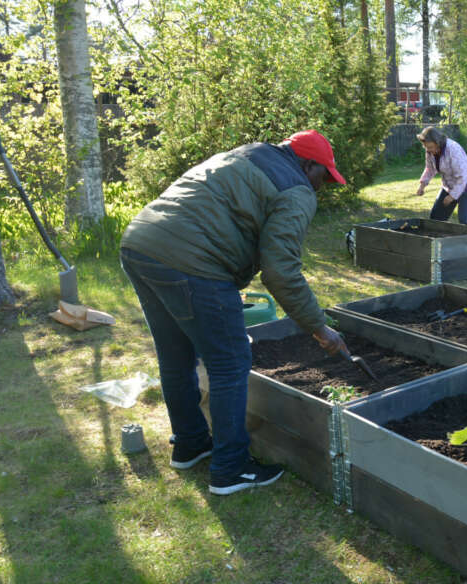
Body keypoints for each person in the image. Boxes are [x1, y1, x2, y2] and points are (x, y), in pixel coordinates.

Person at [120, 130, 350, 496]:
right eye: (324, 176)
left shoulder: (251, 153)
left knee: (176, 355)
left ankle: (191, 444)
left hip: (141, 243)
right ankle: (230, 469)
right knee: (229, 362)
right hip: (193, 261)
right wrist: (320, 327)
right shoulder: (296, 190)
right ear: (308, 165)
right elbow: (281, 271)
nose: (322, 186)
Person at [415, 126, 467, 225]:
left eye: (430, 147)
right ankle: (437, 235)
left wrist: (452, 196)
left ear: (437, 142)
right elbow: (430, 169)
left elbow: (462, 176)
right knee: (436, 216)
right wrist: (422, 185)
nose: (428, 150)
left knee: (463, 220)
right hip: (449, 184)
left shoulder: (453, 149)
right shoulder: (429, 151)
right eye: (425, 147)